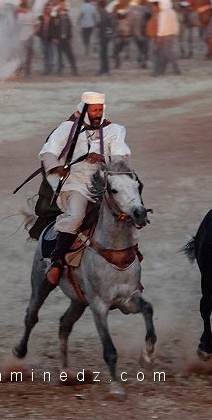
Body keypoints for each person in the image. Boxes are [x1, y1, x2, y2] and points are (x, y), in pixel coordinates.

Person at [38, 92, 130, 284]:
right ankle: (55, 261)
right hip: (76, 183)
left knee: (129, 209)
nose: (98, 113)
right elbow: (48, 152)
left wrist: (104, 158)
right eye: (94, 110)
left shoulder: (115, 130)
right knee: (76, 216)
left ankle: (131, 260)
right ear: (85, 110)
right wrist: (56, 167)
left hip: (105, 184)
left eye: (100, 110)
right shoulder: (67, 128)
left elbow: (122, 157)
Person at [153, 0, 180, 75]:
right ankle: (161, 71)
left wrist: (159, 36)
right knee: (165, 53)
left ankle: (176, 69)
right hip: (172, 34)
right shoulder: (173, 12)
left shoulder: (163, 13)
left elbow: (162, 25)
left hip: (164, 35)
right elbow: (176, 24)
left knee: (167, 53)